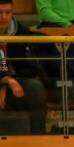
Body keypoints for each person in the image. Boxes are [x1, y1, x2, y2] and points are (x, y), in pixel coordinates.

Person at [0, 0, 47, 134]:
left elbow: (29, 68)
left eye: (8, 12)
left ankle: (39, 138)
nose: (3, 17)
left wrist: (8, 82)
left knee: (35, 87)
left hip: (14, 84)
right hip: (6, 81)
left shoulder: (22, 32)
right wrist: (4, 81)